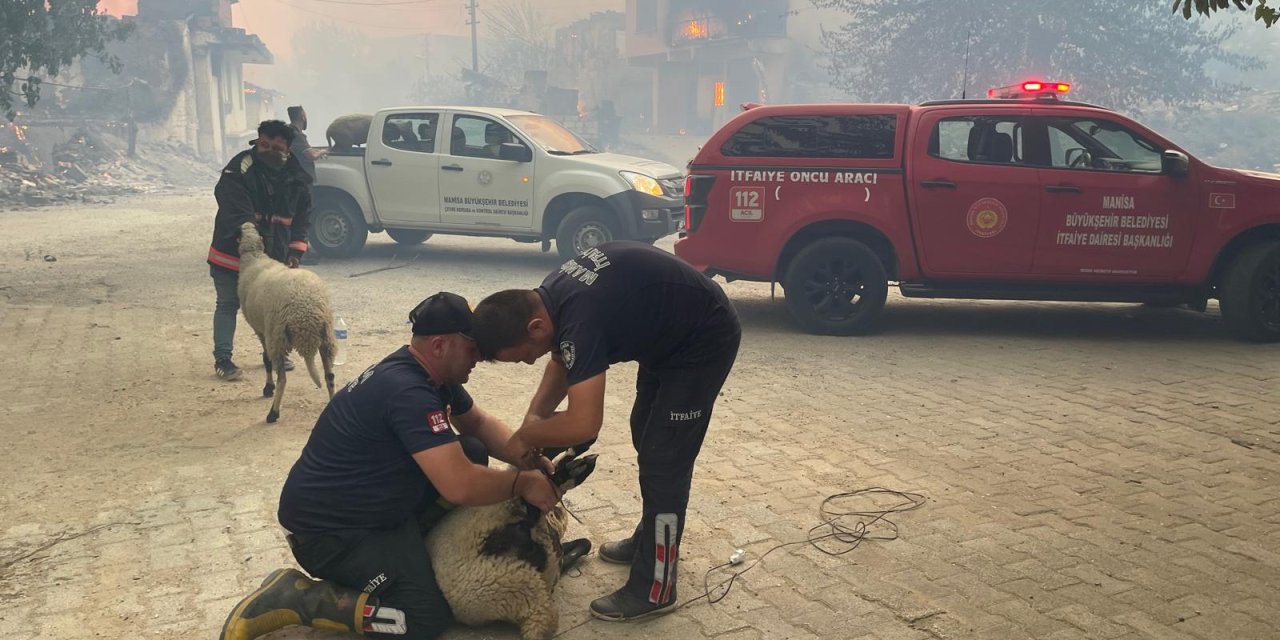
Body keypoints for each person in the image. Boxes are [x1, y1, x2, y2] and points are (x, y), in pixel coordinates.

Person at [218, 292, 562, 640]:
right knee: (423, 618)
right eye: (473, 348)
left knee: (470, 450)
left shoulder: (428, 373)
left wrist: (524, 456)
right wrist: (522, 484)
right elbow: (459, 485)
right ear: (441, 346)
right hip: (332, 535)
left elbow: (477, 423)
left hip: (369, 504)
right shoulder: (407, 391)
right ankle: (300, 597)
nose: (481, 357)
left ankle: (411, 551)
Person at [470, 241, 742, 622]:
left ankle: (657, 586)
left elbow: (585, 424)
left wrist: (529, 436)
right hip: (667, 340)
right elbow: (562, 363)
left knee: (665, 460)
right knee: (645, 433)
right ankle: (651, 539)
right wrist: (533, 423)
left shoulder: (580, 318)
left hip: (702, 342)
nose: (531, 360)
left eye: (524, 354)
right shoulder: (548, 300)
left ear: (535, 326)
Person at [207, 119, 314, 381]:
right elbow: (235, 208)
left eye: (277, 147)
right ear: (257, 141)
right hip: (232, 254)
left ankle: (273, 353)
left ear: (287, 149)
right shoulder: (239, 169)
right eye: (265, 144)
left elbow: (302, 218)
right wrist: (250, 237)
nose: (270, 151)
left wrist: (295, 251)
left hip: (271, 260)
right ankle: (223, 359)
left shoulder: (297, 178)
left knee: (270, 307)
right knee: (228, 303)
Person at [286, 105, 328, 266]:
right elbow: (310, 155)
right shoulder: (297, 135)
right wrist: (323, 152)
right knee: (302, 219)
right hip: (301, 184)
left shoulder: (290, 133)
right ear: (302, 116)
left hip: (293, 182)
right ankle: (302, 254)